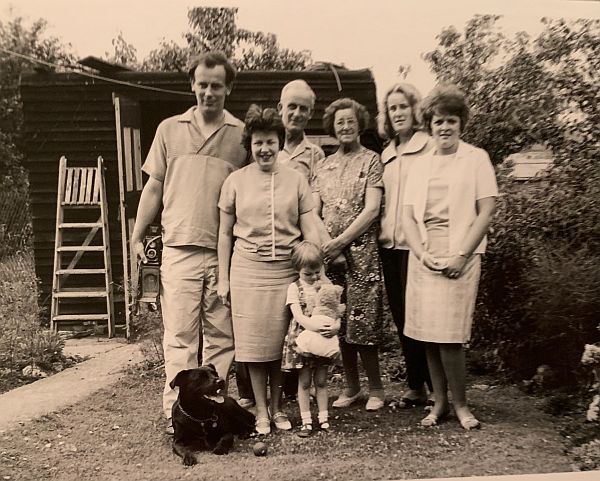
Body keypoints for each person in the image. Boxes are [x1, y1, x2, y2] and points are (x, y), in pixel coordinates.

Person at [130, 51, 247, 435]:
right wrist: (136, 234)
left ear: (228, 88)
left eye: (217, 85)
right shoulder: (169, 129)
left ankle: (215, 411)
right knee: (179, 335)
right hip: (178, 250)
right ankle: (175, 414)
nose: (209, 92)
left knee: (220, 336)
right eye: (202, 84)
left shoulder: (241, 135)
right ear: (192, 85)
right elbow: (154, 187)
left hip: (221, 253)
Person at [217, 105, 320, 435]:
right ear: (250, 144)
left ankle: (277, 410)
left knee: (281, 347)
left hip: (285, 272)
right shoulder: (235, 181)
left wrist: (317, 270)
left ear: (280, 143)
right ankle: (261, 411)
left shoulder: (296, 180)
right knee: (253, 347)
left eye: (271, 142)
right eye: (258, 142)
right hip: (246, 270)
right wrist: (223, 278)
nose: (264, 149)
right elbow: (223, 233)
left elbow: (309, 226)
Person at [402, 84, 498, 430]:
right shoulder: (421, 164)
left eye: (451, 121)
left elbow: (486, 211)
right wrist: (421, 253)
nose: (444, 127)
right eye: (438, 121)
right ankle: (439, 402)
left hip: (461, 255)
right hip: (426, 257)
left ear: (462, 123)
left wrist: (460, 255)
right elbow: (408, 217)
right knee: (429, 333)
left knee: (451, 336)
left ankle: (461, 404)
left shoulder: (476, 158)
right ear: (429, 124)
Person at [236, 79, 328, 407]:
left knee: (286, 333)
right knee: (253, 334)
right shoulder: (244, 170)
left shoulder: (310, 162)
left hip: (291, 259)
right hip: (251, 263)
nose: (298, 113)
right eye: (292, 106)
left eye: (305, 108)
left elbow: (311, 215)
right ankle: (254, 399)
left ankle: (287, 398)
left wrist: (317, 263)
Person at [313, 98, 387, 412]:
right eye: (340, 122)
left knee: (364, 321)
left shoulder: (372, 160)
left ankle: (377, 388)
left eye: (351, 121)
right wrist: (328, 245)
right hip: (330, 254)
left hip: (363, 253)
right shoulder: (322, 166)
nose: (345, 126)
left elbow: (372, 210)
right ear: (332, 126)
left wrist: (341, 241)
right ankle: (352, 386)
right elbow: (312, 211)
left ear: (360, 124)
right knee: (338, 320)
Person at [377, 83, 434, 408]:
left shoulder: (428, 147)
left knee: (423, 316)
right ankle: (416, 387)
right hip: (390, 245)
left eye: (403, 107)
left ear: (415, 110)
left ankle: (436, 386)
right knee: (402, 317)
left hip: (419, 245)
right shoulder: (387, 153)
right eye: (392, 108)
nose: (398, 113)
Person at [281, 241, 339, 437]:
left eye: (317, 271)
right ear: (298, 269)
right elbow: (297, 315)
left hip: (322, 339)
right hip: (303, 340)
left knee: (321, 380)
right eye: (309, 273)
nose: (314, 277)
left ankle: (324, 419)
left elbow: (335, 311)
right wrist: (312, 326)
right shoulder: (294, 288)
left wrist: (335, 327)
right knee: (305, 382)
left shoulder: (326, 286)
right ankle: (306, 421)